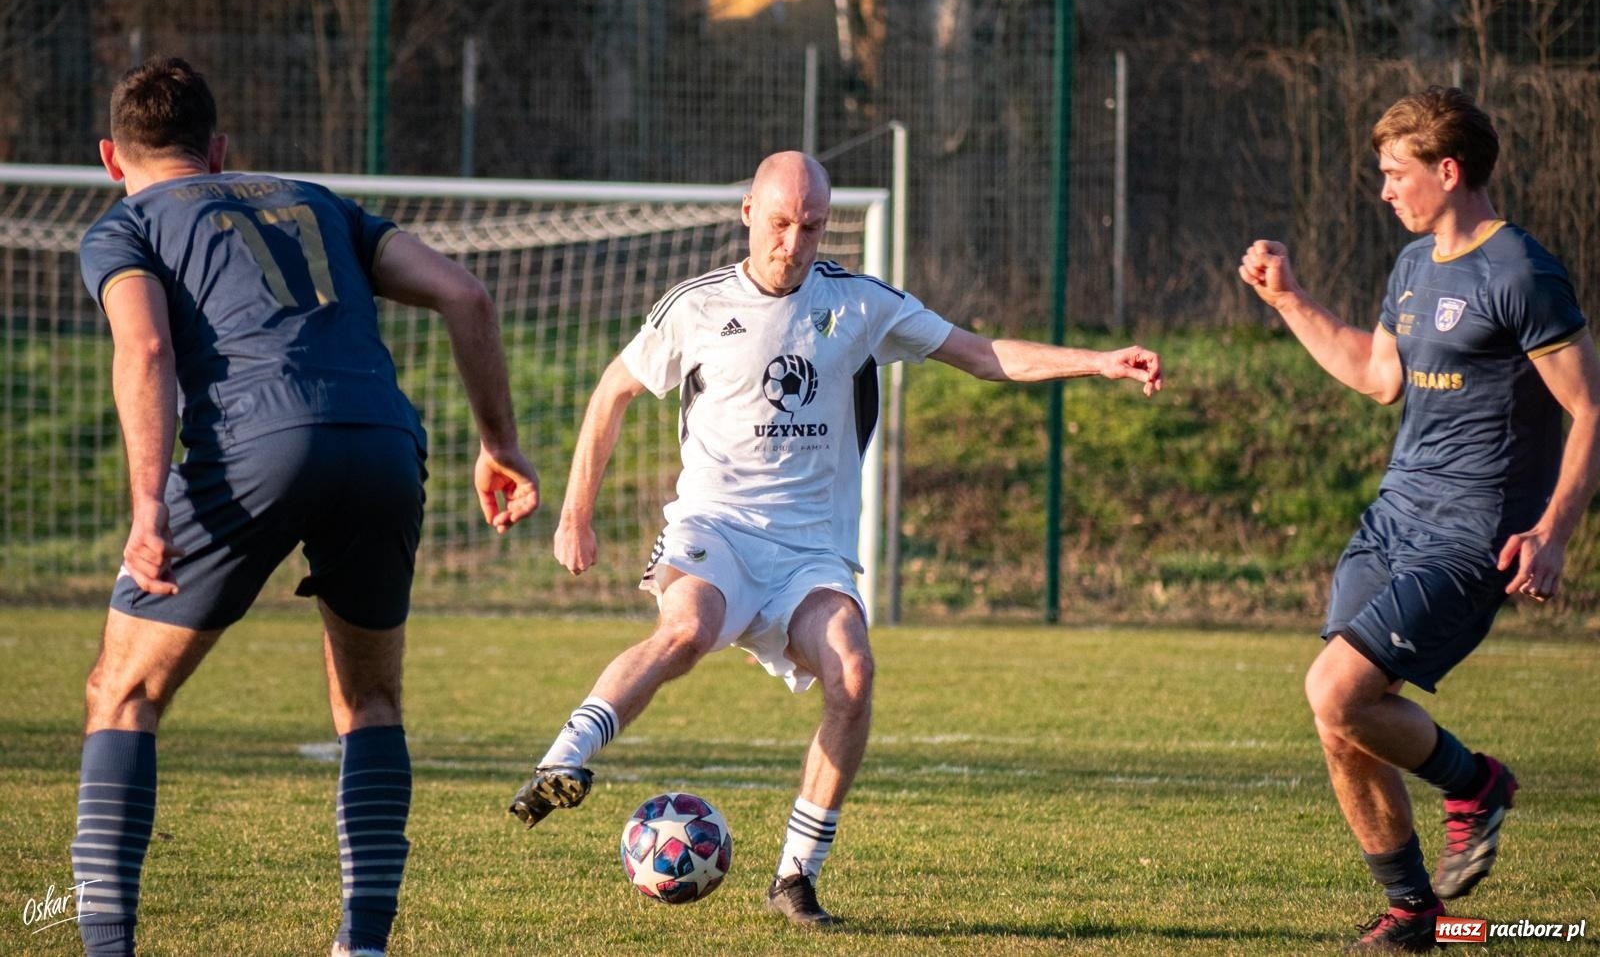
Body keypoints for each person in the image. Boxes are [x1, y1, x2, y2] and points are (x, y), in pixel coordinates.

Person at [507, 150, 1162, 926]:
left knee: (853, 670)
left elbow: (981, 354)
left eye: (811, 227)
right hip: (716, 527)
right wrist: (575, 513)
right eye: (780, 223)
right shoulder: (698, 305)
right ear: (748, 213)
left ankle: (796, 875)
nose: (794, 243)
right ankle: (565, 760)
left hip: (810, 552)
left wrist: (1097, 362)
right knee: (686, 629)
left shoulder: (859, 304)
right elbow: (612, 391)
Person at [71, 57, 540, 957]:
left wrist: (147, 504)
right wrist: (500, 444)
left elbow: (146, 350)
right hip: (383, 443)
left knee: (121, 692)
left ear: (111, 157)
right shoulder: (317, 201)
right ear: (218, 150)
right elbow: (465, 293)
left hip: (256, 443)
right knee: (371, 699)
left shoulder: (128, 224)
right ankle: (361, 943)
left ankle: (105, 945)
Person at [1240, 86, 1600, 952]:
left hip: (1472, 532)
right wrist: (1289, 300)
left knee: (1335, 690)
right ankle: (1414, 912)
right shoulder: (1411, 265)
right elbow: (1378, 375)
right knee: (1343, 717)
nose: (1384, 189)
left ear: (1448, 169)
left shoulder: (1521, 272)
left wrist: (1553, 532)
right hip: (1393, 517)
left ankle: (1475, 782)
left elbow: (1590, 410)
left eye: (1396, 172)